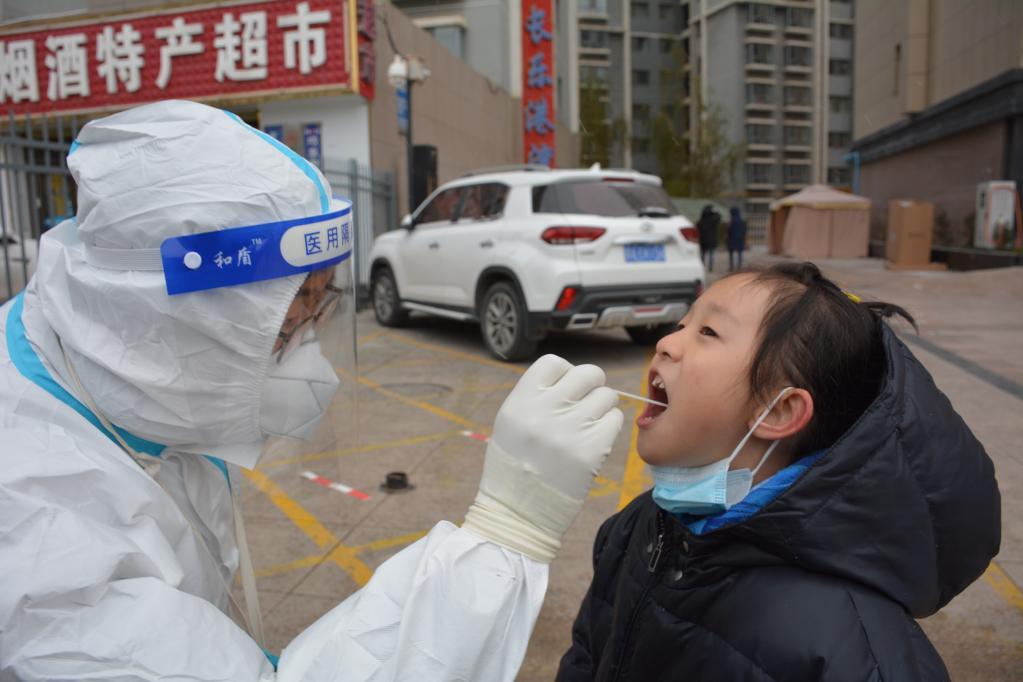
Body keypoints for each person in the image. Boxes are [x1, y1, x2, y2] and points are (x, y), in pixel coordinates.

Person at [0, 100, 624, 681]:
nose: (306, 352)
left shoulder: (121, 383)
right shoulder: (37, 549)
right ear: (166, 319)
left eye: (320, 306)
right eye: (286, 319)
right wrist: (504, 536)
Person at [557, 262, 1000, 681]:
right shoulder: (636, 528)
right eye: (681, 325)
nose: (667, 344)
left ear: (779, 410)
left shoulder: (855, 650)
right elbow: (586, 657)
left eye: (708, 332)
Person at [696, 204, 719, 272]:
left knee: (703, 254)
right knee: (711, 254)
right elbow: (719, 217)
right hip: (711, 240)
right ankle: (710, 268)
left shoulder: (700, 222)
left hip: (703, 240)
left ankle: (702, 266)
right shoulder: (713, 221)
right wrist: (715, 212)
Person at [727, 206, 747, 271]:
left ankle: (731, 267)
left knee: (731, 254)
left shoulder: (731, 221)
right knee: (739, 254)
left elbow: (729, 230)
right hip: (740, 239)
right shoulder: (741, 221)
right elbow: (744, 230)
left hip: (732, 239)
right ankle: (739, 267)